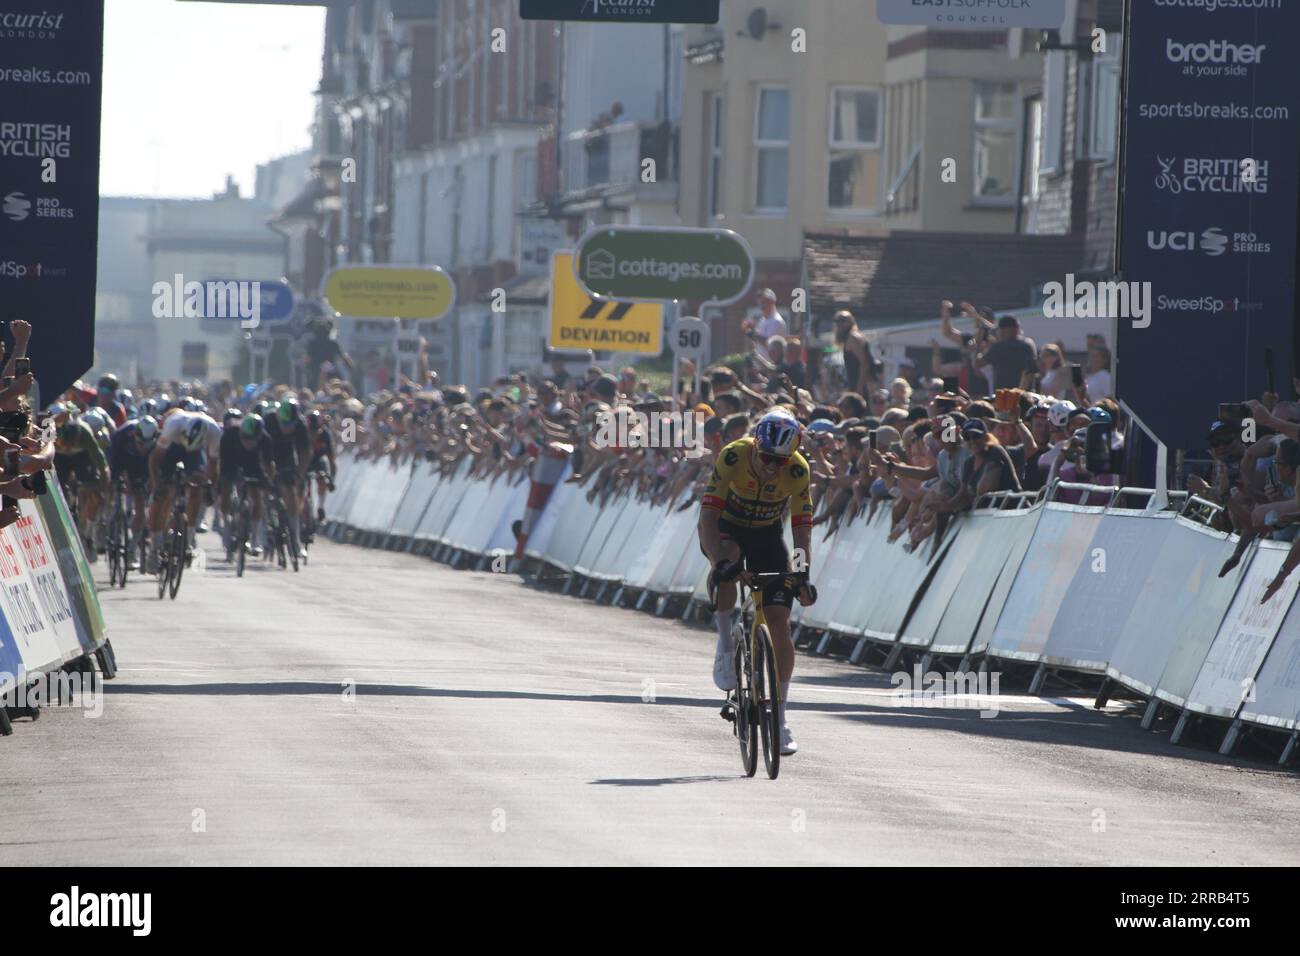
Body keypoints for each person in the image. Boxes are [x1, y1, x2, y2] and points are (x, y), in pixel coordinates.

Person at [698, 410, 817, 757]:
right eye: (766, 458)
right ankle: (723, 644)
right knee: (730, 559)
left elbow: (801, 528)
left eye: (780, 461)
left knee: (780, 625)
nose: (772, 466)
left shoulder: (797, 470)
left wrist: (802, 574)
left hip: (767, 535)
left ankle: (779, 719)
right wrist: (720, 562)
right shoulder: (734, 454)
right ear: (756, 447)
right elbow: (707, 516)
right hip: (726, 527)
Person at [147, 407, 222, 573]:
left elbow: (212, 464)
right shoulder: (173, 425)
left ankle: (187, 539)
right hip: (172, 447)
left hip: (194, 451)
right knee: (163, 494)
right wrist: (157, 485)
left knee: (197, 487)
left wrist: (210, 487)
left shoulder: (214, 432)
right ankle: (154, 545)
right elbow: (154, 460)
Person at [54, 414, 111, 559]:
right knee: (57, 485)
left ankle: (87, 532)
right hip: (58, 457)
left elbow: (102, 465)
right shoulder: (52, 432)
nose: (68, 448)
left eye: (72, 444)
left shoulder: (85, 434)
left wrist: (102, 490)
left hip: (82, 456)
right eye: (64, 443)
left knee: (91, 489)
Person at [107, 415, 160, 569]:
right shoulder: (121, 436)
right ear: (135, 436)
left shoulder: (159, 442)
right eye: (140, 443)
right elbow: (111, 462)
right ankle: (110, 518)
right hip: (121, 459)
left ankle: (131, 548)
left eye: (147, 444)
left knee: (141, 504)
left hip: (143, 466)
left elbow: (157, 468)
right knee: (111, 486)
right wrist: (116, 481)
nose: (143, 448)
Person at [219, 414, 273, 558]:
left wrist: (269, 481)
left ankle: (255, 536)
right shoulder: (229, 435)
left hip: (252, 463)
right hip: (231, 461)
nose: (249, 443)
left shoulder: (265, 439)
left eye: (253, 440)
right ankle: (226, 525)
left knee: (256, 498)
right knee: (226, 492)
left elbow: (268, 465)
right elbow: (222, 462)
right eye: (246, 439)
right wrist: (224, 481)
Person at [977, 314, 1038, 390]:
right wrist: (1021, 392)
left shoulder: (999, 347)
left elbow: (978, 363)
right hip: (1026, 396)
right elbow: (1031, 372)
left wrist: (978, 343)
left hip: (1004, 396)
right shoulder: (1028, 344)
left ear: (1003, 330)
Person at [306, 409, 337, 523]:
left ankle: (321, 506)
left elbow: (332, 460)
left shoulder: (325, 435)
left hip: (318, 459)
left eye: (316, 431)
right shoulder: (301, 433)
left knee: (322, 478)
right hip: (304, 460)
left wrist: (332, 480)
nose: (313, 434)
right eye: (311, 431)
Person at [748, 289, 788, 362]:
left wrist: (753, 333)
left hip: (771, 366)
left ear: (772, 302)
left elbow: (769, 345)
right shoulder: (762, 320)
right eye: (760, 302)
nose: (761, 305)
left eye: (764, 302)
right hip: (761, 365)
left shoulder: (777, 321)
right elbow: (757, 342)